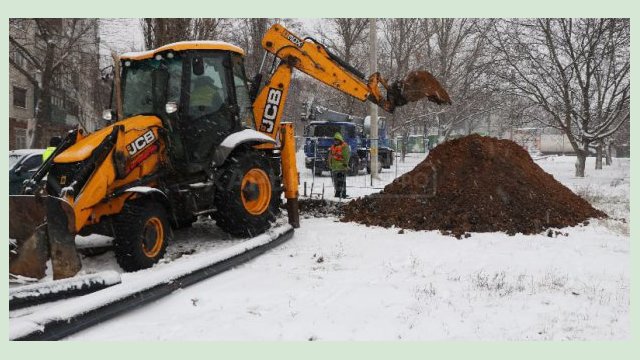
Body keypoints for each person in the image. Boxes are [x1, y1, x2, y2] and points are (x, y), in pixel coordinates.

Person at [328, 132, 350, 198]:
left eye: (337, 140)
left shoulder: (344, 147)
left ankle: (342, 194)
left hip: (341, 167)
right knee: (336, 181)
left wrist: (345, 164)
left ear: (340, 140)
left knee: (341, 181)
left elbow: (346, 156)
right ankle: (338, 193)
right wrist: (330, 164)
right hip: (335, 167)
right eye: (335, 140)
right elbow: (330, 156)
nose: (336, 141)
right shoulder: (333, 147)